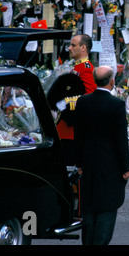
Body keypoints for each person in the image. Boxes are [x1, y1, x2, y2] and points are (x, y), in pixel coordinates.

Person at [74, 65, 129, 245]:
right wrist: (126, 168)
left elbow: (79, 135)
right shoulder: (117, 104)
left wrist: (79, 163)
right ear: (112, 81)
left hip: (88, 161)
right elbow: (121, 140)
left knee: (89, 205)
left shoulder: (83, 101)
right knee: (107, 204)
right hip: (110, 163)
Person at [55, 34, 97, 166]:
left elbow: (89, 98)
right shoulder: (75, 67)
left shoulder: (86, 69)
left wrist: (62, 102)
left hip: (73, 128)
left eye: (73, 45)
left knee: (72, 171)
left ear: (83, 48)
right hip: (65, 127)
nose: (69, 48)